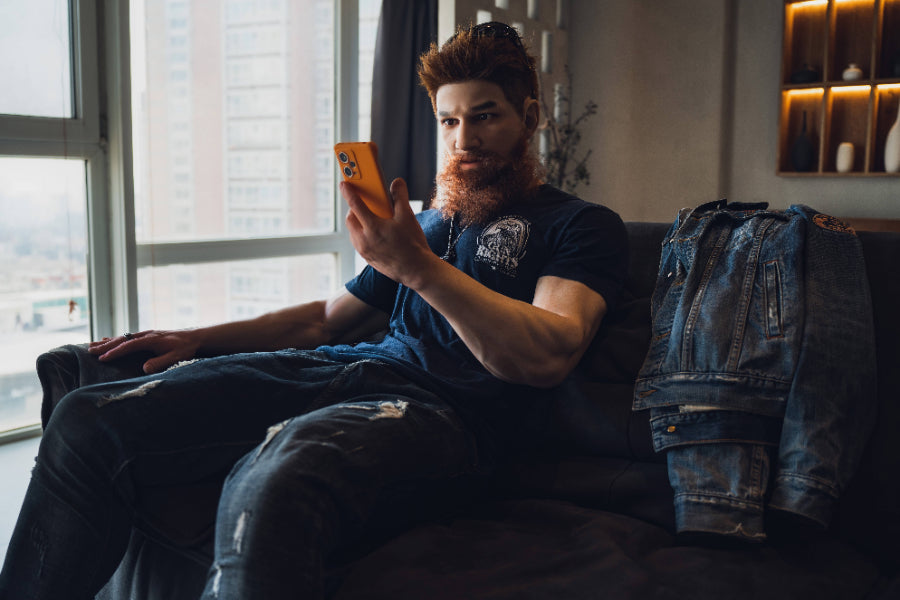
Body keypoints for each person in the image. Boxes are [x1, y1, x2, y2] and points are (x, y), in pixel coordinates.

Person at [0, 21, 627, 600]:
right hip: (347, 370)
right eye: (449, 121)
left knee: (274, 480)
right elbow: (325, 321)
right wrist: (198, 338)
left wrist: (417, 267)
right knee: (86, 419)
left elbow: (548, 352)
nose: (464, 141)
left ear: (530, 116)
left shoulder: (579, 224)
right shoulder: (428, 226)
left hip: (452, 420)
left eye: (485, 116)